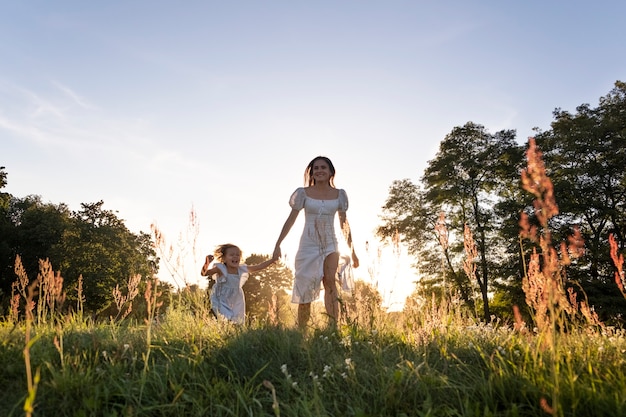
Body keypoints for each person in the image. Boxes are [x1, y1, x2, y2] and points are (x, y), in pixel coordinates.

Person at [273, 156, 359, 328]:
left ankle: (333, 327)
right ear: (312, 172)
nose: (319, 171)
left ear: (330, 172)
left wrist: (352, 251)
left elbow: (344, 224)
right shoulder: (303, 193)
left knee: (330, 283)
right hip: (307, 244)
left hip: (330, 244)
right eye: (316, 168)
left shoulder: (339, 195)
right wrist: (278, 244)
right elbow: (290, 220)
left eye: (323, 168)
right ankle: (302, 330)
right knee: (304, 287)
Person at [201, 243, 278, 324]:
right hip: (221, 297)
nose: (235, 256)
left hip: (237, 298)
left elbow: (258, 266)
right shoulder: (221, 269)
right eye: (231, 255)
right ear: (224, 258)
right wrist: (207, 263)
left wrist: (272, 260)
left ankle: (236, 333)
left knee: (238, 320)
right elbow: (204, 273)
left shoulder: (242, 269)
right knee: (225, 318)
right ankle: (224, 331)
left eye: (237, 255)